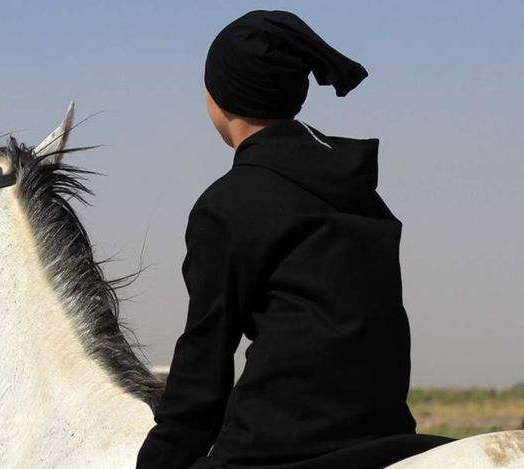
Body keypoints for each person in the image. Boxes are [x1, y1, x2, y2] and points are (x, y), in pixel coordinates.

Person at [137, 10, 453, 469]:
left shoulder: (228, 204)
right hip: (382, 433)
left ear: (218, 99)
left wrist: (162, 456)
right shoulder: (360, 190)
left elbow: (204, 363)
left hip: (282, 446)